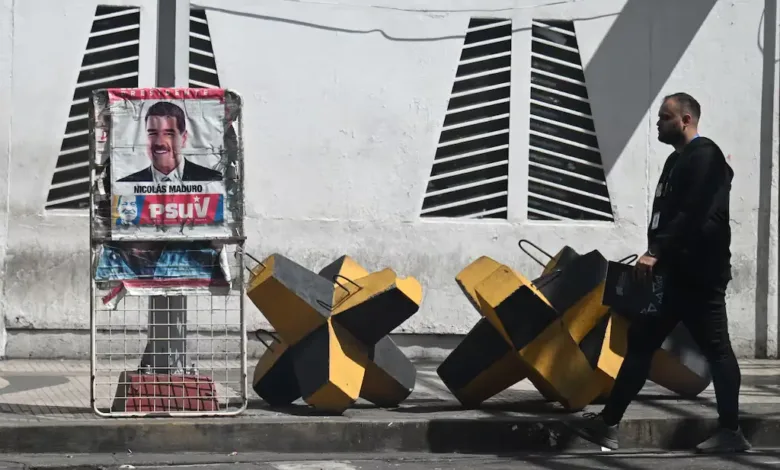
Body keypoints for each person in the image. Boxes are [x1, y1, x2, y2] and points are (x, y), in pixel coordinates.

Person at [565, 93, 750, 453]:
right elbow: (666, 215)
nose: (658, 124)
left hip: (700, 277)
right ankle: (608, 424)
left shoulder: (705, 156)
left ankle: (731, 432)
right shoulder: (674, 162)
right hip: (670, 277)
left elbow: (693, 213)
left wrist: (655, 251)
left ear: (686, 119)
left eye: (665, 118)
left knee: (717, 349)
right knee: (641, 343)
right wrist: (657, 257)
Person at [118, 101, 223, 183]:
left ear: (184, 138)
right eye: (152, 133)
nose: (159, 143)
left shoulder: (211, 180)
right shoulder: (128, 183)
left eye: (169, 134)